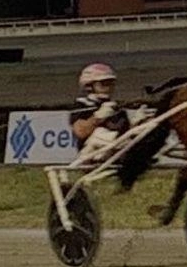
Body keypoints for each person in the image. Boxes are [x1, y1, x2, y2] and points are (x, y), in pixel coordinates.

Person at [70, 63, 166, 191]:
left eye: (111, 83)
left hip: (115, 151)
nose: (109, 87)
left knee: (146, 132)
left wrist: (138, 122)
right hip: (91, 154)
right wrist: (98, 117)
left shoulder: (117, 109)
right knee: (101, 132)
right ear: (89, 86)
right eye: (103, 84)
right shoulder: (81, 106)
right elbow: (80, 132)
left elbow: (125, 133)